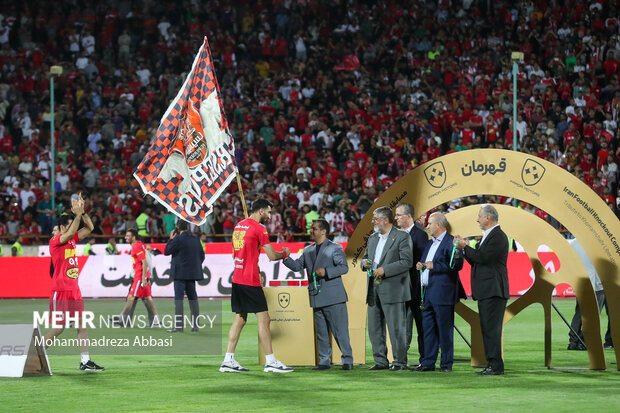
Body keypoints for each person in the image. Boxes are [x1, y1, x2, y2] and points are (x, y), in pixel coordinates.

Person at [220, 198, 293, 373]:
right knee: (264, 319)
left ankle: (228, 360)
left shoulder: (238, 226)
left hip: (237, 278)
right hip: (249, 280)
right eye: (268, 212)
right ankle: (270, 362)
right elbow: (272, 256)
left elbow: (234, 254)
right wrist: (285, 253)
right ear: (261, 211)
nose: (270, 215)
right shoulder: (260, 229)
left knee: (240, 319)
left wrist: (254, 265)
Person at [43, 193, 104, 371]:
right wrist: (77, 214)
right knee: (58, 329)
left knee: (81, 325)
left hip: (74, 291)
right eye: (69, 225)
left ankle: (85, 361)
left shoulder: (72, 240)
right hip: (60, 291)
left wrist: (82, 212)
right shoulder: (56, 241)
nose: (73, 229)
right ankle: (35, 354)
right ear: (62, 227)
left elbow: (90, 227)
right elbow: (71, 232)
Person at [282, 219, 353, 370]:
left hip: (333, 297)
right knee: (321, 332)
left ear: (323, 231)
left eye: (314, 229)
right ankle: (324, 361)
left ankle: (347, 360)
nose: (311, 231)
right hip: (316, 296)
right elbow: (297, 266)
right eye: (311, 229)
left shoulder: (335, 248)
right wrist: (286, 258)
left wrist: (326, 272)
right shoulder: (307, 250)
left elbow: (343, 268)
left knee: (340, 331)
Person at [455, 204, 509, 375]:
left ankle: (495, 365)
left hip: (493, 289)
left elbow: (483, 258)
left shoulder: (498, 236)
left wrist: (465, 247)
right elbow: (478, 260)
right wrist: (464, 249)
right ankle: (492, 363)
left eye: (479, 216)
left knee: (491, 329)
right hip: (488, 289)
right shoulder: (490, 236)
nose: (477, 219)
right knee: (487, 328)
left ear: (488, 217)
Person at [361, 206, 413, 371]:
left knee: (396, 328)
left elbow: (406, 261)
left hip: (394, 288)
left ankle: (399, 362)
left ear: (385, 219)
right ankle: (380, 361)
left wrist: (385, 270)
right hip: (373, 288)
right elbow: (366, 258)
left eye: (375, 218)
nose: (373, 221)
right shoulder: (373, 238)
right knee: (374, 328)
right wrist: (365, 263)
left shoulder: (402, 237)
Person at [414, 213, 464, 373]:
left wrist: (434, 266)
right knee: (428, 329)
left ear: (439, 225)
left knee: (445, 330)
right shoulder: (430, 244)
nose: (426, 226)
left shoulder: (452, 242)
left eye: (429, 223)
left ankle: (446, 363)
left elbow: (457, 265)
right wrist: (421, 265)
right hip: (427, 292)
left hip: (443, 293)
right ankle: (428, 362)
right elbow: (428, 264)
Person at [394, 202, 429, 366]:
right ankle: (400, 359)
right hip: (398, 288)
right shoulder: (394, 235)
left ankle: (425, 360)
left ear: (408, 216)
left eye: (398, 215)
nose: (396, 218)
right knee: (400, 327)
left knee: (421, 326)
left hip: (415, 288)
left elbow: (421, 264)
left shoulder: (420, 235)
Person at [567, 238, 612, 350]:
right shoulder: (598, 243)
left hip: (580, 282)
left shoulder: (574, 243)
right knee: (593, 315)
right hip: (596, 284)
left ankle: (573, 342)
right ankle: (585, 341)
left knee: (579, 313)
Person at [164, 220, 204, 332]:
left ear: (178, 228)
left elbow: (167, 251)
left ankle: (179, 326)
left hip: (179, 275)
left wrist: (171, 239)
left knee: (179, 300)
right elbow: (201, 256)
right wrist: (194, 266)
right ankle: (195, 326)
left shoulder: (177, 239)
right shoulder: (196, 240)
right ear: (187, 227)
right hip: (192, 275)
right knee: (193, 300)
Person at [117, 229, 161, 327]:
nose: (125, 237)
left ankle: (121, 319)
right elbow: (146, 247)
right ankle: (157, 321)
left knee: (131, 297)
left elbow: (144, 262)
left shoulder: (136, 246)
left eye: (128, 236)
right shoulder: (140, 244)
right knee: (148, 299)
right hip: (143, 276)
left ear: (133, 237)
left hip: (140, 277)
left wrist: (143, 278)